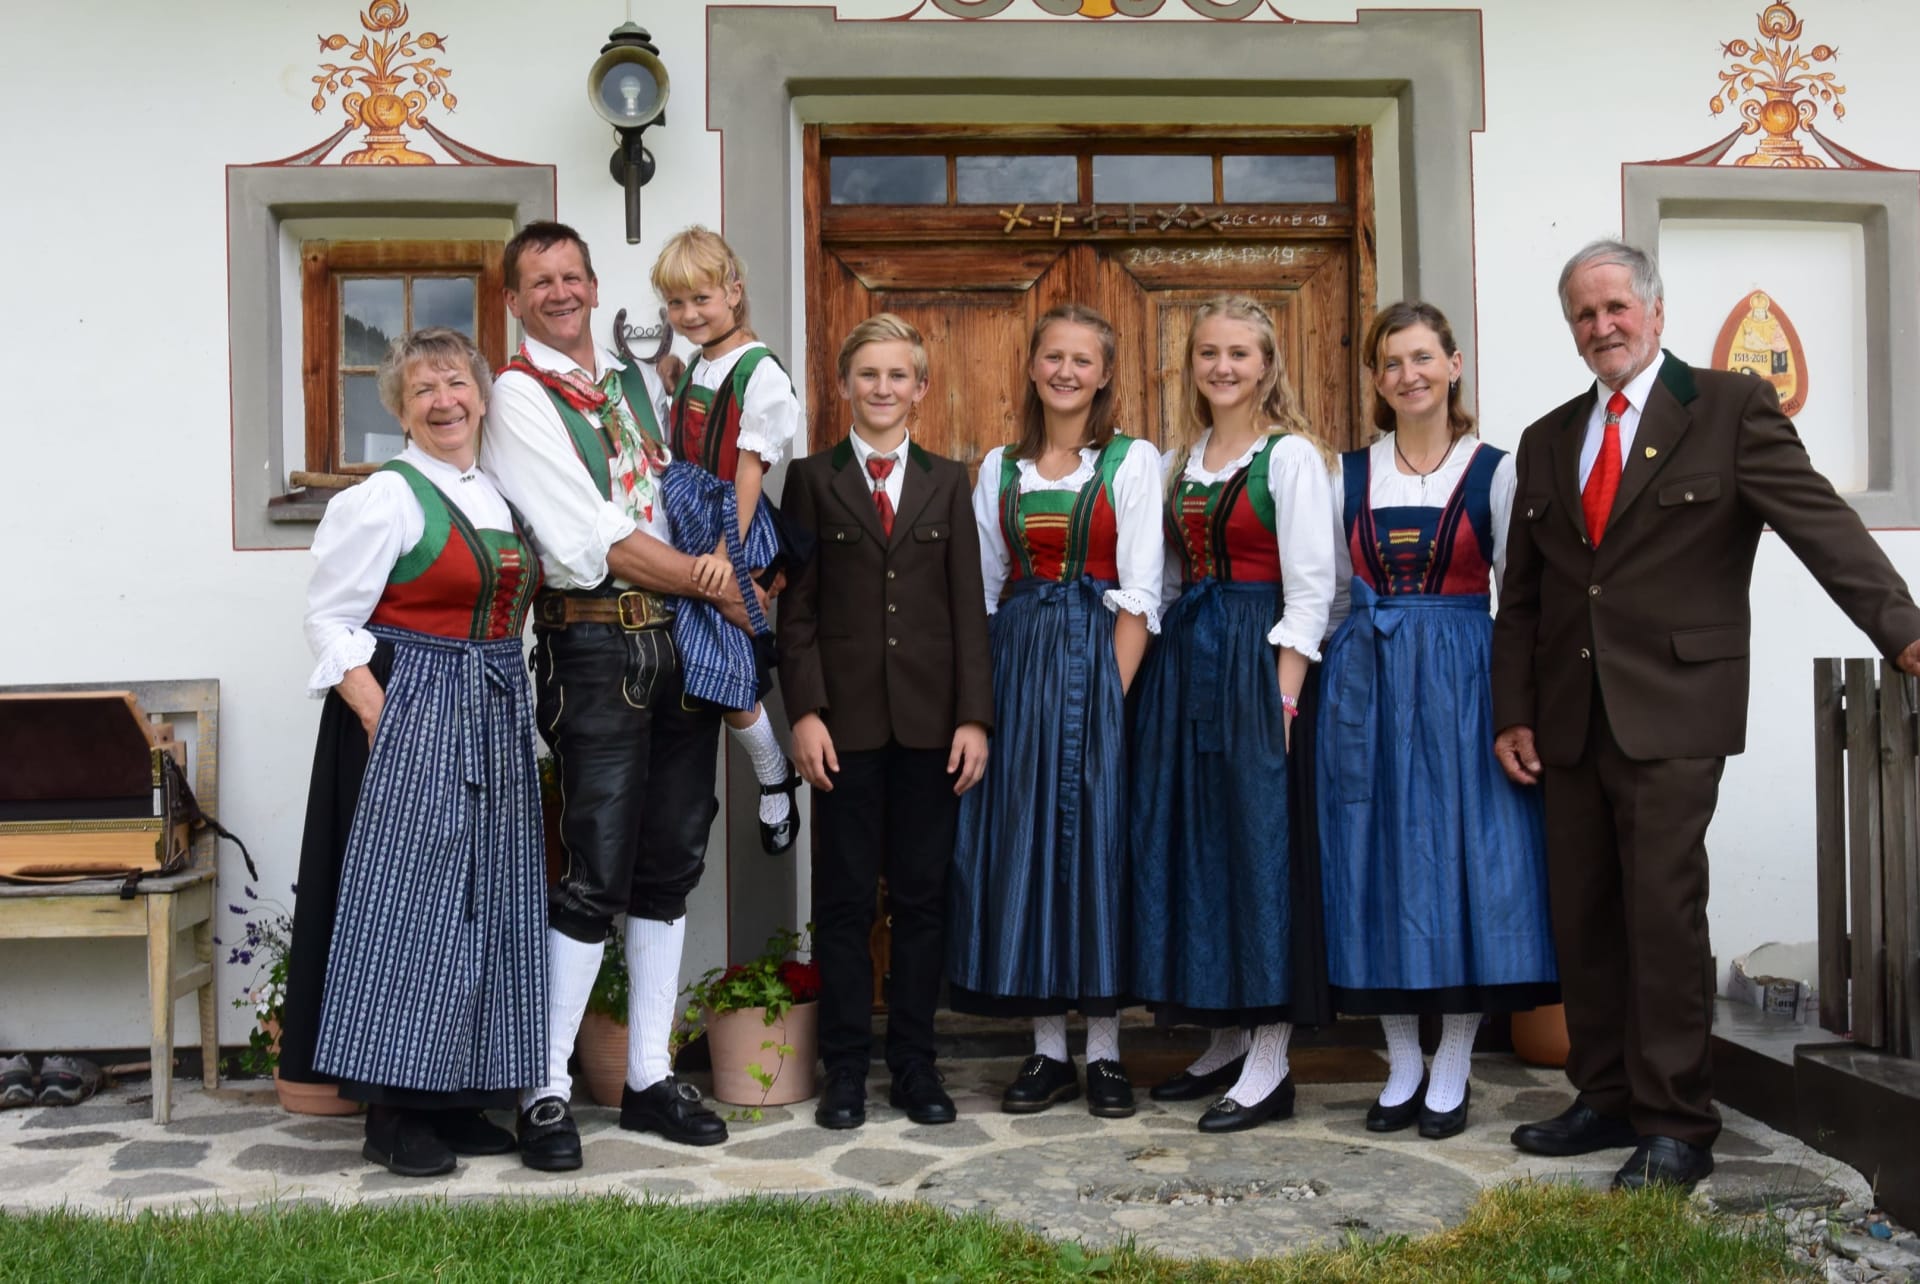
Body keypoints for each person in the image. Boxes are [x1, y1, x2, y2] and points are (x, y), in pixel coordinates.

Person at [1492, 239, 1920, 1190]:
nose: (1602, 326)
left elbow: (1822, 525)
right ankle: (1605, 1096)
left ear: (1655, 311)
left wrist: (1903, 630)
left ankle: (1677, 1123)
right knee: (1585, 916)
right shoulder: (1549, 437)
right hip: (1569, 716)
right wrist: (1513, 710)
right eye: (1584, 314)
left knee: (1662, 912)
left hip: (1675, 708)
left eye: (1616, 307)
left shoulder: (1730, 409)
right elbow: (1523, 596)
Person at [480, 221, 763, 1169]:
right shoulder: (517, 397)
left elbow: (699, 484)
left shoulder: (639, 381)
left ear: (596, 286)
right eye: (540, 282)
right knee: (595, 869)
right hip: (599, 643)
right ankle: (546, 1089)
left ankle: (647, 1076)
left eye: (573, 276)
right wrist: (722, 587)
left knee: (669, 861)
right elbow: (591, 535)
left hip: (680, 639)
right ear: (514, 301)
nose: (561, 293)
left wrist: (739, 562)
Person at [280, 327, 546, 1178]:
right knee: (411, 905)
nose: (444, 401)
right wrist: (380, 714)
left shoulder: (496, 493)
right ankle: (393, 1112)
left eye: (456, 383)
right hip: (417, 706)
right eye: (423, 390)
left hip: (492, 707)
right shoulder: (385, 498)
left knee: (487, 899)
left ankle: (456, 1097)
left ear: (481, 396)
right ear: (399, 409)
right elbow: (329, 619)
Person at [1318, 301, 1559, 1143]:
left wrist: (1517, 705)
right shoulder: (1347, 475)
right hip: (1368, 681)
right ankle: (1402, 1063)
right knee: (1374, 858)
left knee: (1462, 864)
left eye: (1422, 357)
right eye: (1391, 362)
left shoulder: (1496, 471)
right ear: (1376, 379)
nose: (1408, 374)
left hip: (1464, 681)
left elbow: (1518, 596)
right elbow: (1334, 596)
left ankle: (1452, 1062)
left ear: (1454, 365)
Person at [948, 303, 1165, 1118]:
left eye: (1082, 360)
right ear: (1033, 367)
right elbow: (984, 591)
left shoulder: (1132, 461)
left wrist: (1108, 698)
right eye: (1053, 357)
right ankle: (1047, 1051)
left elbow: (1141, 590)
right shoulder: (999, 468)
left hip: (1099, 664)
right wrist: (984, 703)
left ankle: (1105, 1052)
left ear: (1104, 374)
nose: (1066, 371)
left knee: (1097, 846)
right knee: (1027, 847)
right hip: (1017, 668)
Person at [779, 314, 993, 1130]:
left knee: (922, 898)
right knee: (842, 900)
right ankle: (844, 1069)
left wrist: (974, 717)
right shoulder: (811, 480)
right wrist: (805, 711)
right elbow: (797, 612)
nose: (882, 387)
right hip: (845, 727)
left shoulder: (948, 480)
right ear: (842, 385)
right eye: (867, 374)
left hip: (932, 727)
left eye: (897, 375)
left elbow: (968, 607)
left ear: (921, 389)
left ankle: (914, 1064)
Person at [1130, 296, 1338, 1132]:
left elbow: (1312, 588)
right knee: (1200, 847)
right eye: (1209, 352)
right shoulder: (1179, 462)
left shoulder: (1289, 458)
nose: (1222, 366)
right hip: (1190, 665)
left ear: (1267, 365)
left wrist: (1283, 698)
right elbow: (1168, 579)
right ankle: (1223, 1038)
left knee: (1261, 849)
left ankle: (1271, 1059)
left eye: (1239, 354)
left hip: (1258, 662)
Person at [651, 226, 805, 855]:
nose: (689, 314)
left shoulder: (759, 371)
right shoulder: (698, 362)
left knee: (724, 661)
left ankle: (774, 774)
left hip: (726, 521)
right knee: (695, 657)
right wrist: (671, 383)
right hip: (684, 517)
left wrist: (724, 553)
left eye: (701, 300)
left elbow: (748, 472)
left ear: (734, 293)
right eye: (676, 303)